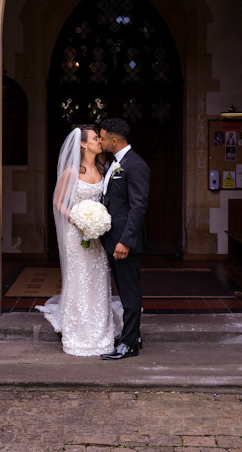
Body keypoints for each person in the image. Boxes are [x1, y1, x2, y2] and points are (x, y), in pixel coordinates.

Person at [36, 125, 122, 356]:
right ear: (83, 144)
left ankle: (101, 332)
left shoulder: (104, 169)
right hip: (76, 234)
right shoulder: (72, 171)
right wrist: (78, 219)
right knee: (79, 279)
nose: (99, 141)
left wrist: (98, 222)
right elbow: (58, 202)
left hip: (97, 235)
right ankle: (79, 333)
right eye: (95, 138)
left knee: (99, 278)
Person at [99, 118, 150, 360]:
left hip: (125, 241)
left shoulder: (135, 165)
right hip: (114, 239)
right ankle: (134, 335)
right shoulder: (115, 163)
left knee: (130, 293)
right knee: (125, 290)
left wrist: (126, 241)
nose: (100, 141)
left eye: (102, 137)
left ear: (114, 139)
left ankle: (128, 344)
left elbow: (138, 207)